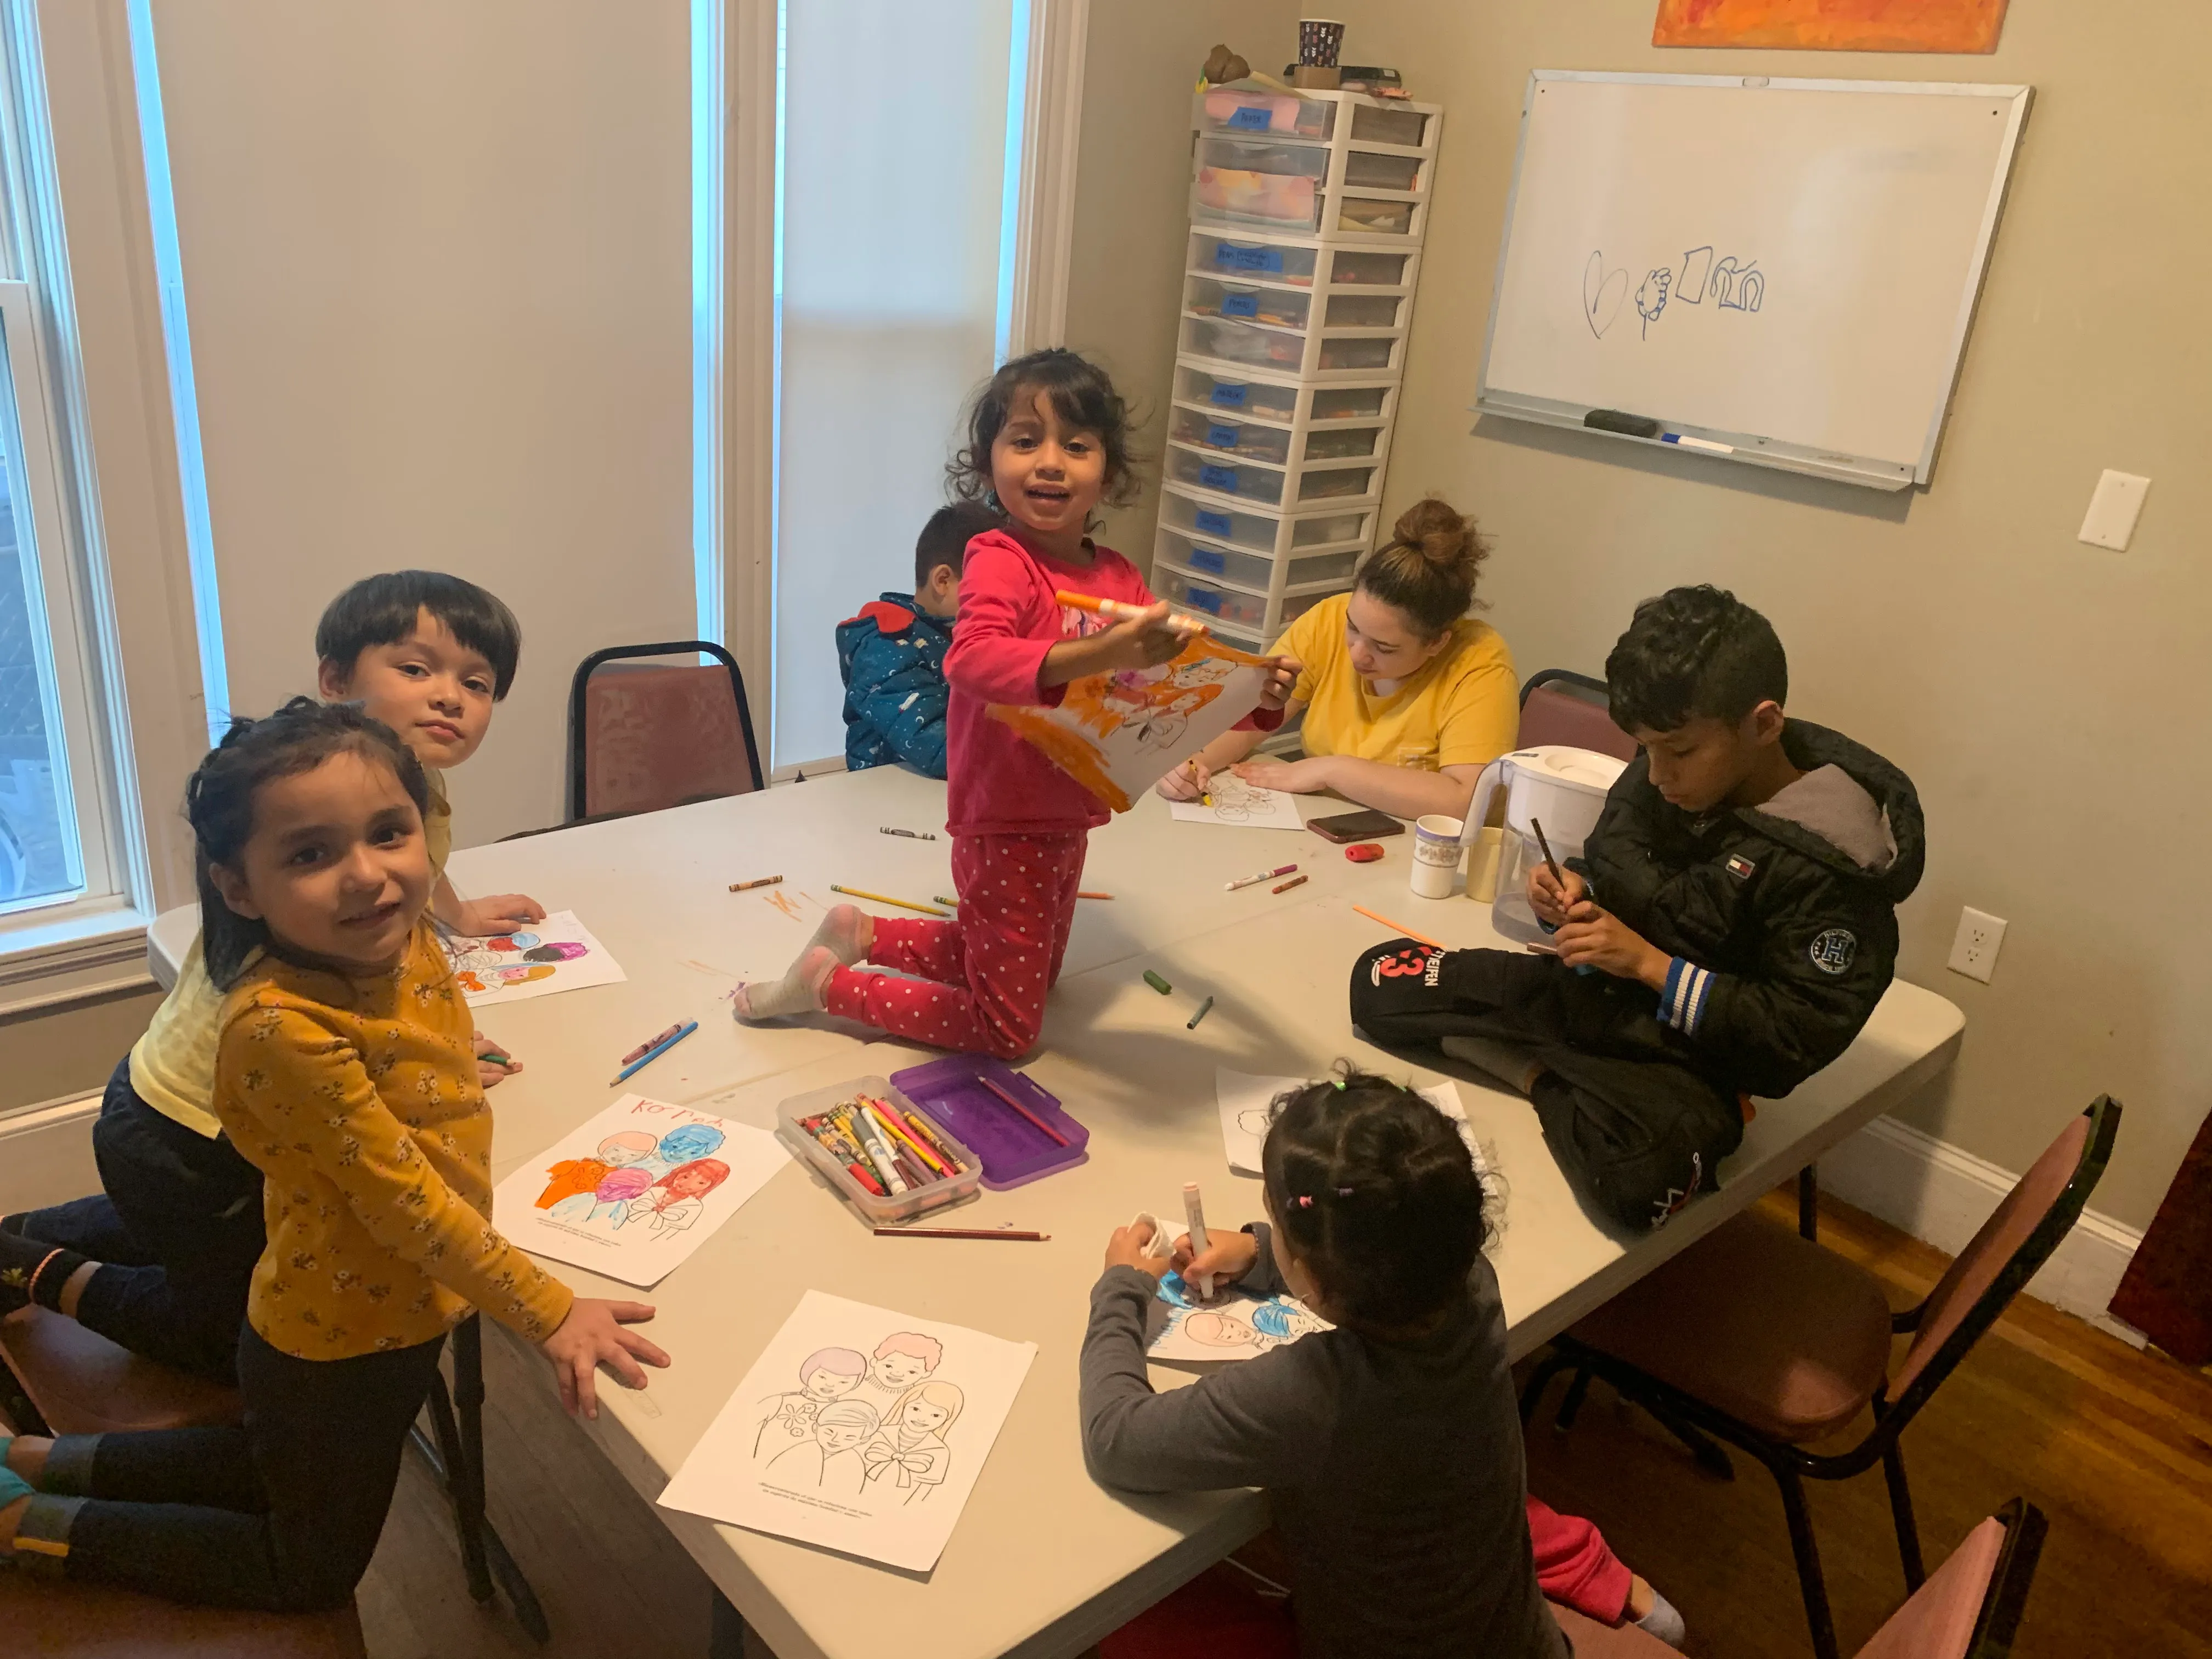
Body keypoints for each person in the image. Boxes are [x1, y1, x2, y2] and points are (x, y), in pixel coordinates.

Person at [0, 698, 668, 1611]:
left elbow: (413, 1039)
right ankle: (26, 1526)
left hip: (391, 1312)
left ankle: (37, 1460)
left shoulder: (398, 939)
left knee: (270, 1458)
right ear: (239, 888)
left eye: (389, 833)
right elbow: (406, 1205)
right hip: (340, 1337)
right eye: (310, 854)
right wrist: (549, 1311)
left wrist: (436, 1067)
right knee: (305, 1568)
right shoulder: (279, 1026)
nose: (367, 874)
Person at [0, 571, 542, 1381]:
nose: (449, 697)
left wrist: (456, 917)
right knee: (238, 1340)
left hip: (217, 1121)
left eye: (478, 683)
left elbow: (421, 862)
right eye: (415, 668)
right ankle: (33, 1270)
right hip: (190, 1125)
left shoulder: (408, 791)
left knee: (206, 1230)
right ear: (335, 680)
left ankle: (24, 1232)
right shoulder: (293, 803)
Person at [735, 347, 1294, 1056]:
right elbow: (972, 660)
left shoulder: (1117, 575)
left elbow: (1167, 689)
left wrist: (1256, 699)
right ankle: (827, 986)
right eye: (1026, 441)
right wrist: (1107, 652)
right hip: (1004, 818)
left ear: (1108, 473)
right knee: (1007, 1030)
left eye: (1077, 446)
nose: (1050, 462)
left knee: (1033, 973)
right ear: (987, 462)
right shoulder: (1001, 558)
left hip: (1069, 813)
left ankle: (862, 934)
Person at [1348, 585, 1925, 1231]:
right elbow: (1616, 872)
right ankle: (1566, 1080)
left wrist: (1650, 966)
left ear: (1763, 725)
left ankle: (1544, 1076)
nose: (1655, 775)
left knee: (1636, 1186)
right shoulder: (1667, 774)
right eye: (1644, 748)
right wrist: (1571, 895)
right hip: (1594, 998)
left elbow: (1793, 1037)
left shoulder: (1834, 867)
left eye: (1678, 751)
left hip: (1691, 1061)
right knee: (1379, 983)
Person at [1081, 1069, 1570, 1658]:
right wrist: (1263, 1252)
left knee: (1122, 1621)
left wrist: (1122, 1287)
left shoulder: (1316, 1394)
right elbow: (1394, 1248)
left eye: (1281, 1231)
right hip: (1523, 1644)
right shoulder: (1470, 1281)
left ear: (1314, 1279)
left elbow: (1115, 1440)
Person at [1158, 498, 1516, 822]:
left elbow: (1466, 800)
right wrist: (1196, 761)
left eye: (1384, 648)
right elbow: (1254, 716)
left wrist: (1333, 770)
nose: (1357, 653)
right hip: (1330, 827)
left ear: (1437, 643)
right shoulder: (1328, 619)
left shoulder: (1477, 661)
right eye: (1353, 628)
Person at [837, 500, 1002, 778]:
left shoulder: (952, 633)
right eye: (991, 593)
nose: (1002, 606)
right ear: (943, 581)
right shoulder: (887, 644)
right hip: (884, 795)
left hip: (935, 789)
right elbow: (936, 745)